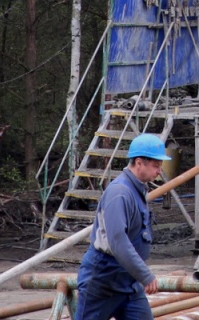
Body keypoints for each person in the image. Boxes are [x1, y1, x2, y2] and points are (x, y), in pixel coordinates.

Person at [74, 134, 171, 320]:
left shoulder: (138, 188)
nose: (159, 171)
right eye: (156, 165)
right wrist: (145, 275)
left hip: (129, 281)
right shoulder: (120, 193)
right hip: (103, 280)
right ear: (139, 162)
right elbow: (118, 241)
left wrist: (138, 275)